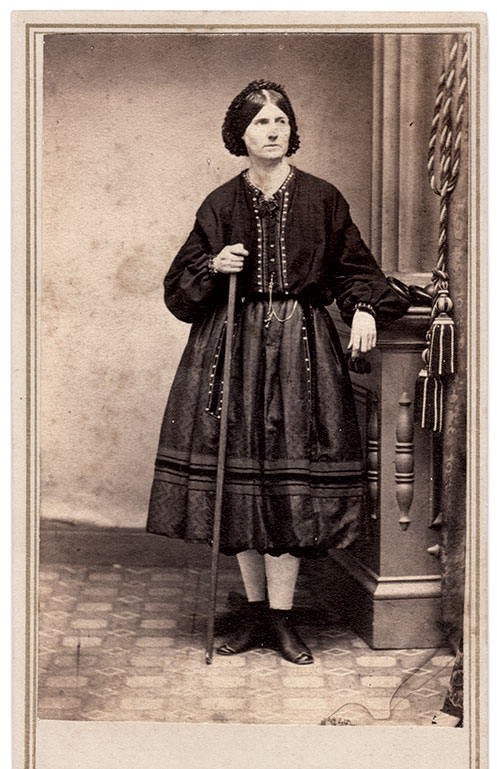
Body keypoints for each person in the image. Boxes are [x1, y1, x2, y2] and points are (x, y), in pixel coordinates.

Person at [147, 80, 408, 664]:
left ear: (292, 132)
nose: (272, 131)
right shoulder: (219, 203)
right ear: (240, 135)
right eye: (261, 123)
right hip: (231, 352)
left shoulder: (322, 198)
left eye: (281, 122)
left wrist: (365, 306)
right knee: (239, 485)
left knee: (288, 489)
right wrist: (214, 265)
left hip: (301, 355)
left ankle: (284, 620)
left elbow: (355, 270)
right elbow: (180, 291)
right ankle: (258, 613)